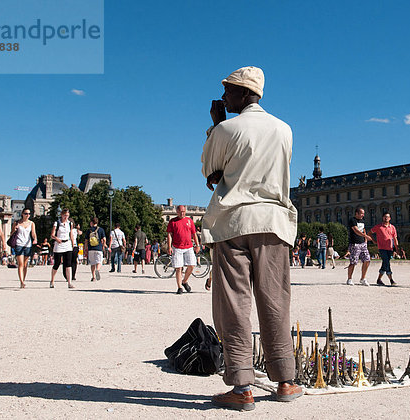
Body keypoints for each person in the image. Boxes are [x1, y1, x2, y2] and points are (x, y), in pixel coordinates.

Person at [201, 66, 302, 410]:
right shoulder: (284, 129)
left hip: (234, 222)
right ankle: (286, 380)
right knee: (275, 300)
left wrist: (216, 125)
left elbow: (208, 167)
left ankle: (242, 385)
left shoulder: (228, 128)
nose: (223, 97)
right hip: (274, 222)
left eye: (228, 91)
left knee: (233, 303)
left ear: (244, 94)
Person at [167, 205, 200, 294]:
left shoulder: (189, 221)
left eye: (184, 211)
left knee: (192, 265)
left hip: (188, 246)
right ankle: (179, 287)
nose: (182, 213)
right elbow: (169, 235)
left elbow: (194, 234)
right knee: (178, 268)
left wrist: (197, 245)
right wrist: (169, 247)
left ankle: (184, 281)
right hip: (177, 247)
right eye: (181, 211)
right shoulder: (172, 222)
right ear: (177, 212)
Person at [11, 208, 37, 288]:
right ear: (22, 214)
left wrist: (35, 239)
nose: (28, 215)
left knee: (25, 264)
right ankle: (21, 281)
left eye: (29, 214)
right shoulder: (16, 222)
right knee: (21, 264)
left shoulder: (31, 223)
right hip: (19, 244)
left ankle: (23, 280)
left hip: (27, 245)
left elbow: (33, 233)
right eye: (26, 213)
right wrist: (15, 229)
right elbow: (11, 233)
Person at [347, 207, 373, 286]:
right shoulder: (352, 220)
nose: (363, 215)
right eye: (361, 213)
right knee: (353, 262)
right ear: (356, 213)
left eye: (363, 213)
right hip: (355, 243)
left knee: (367, 260)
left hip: (362, 244)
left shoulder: (362, 221)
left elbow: (363, 229)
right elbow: (356, 230)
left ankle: (363, 278)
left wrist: (365, 239)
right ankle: (349, 279)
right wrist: (366, 236)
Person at [371, 212, 399, 286]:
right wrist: (374, 241)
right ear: (383, 217)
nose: (386, 218)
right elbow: (370, 232)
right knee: (387, 262)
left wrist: (397, 248)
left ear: (390, 218)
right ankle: (391, 280)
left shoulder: (392, 227)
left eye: (388, 217)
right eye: (385, 216)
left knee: (385, 263)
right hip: (382, 248)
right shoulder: (378, 227)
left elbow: (395, 238)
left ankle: (379, 279)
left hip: (390, 248)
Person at [50, 209, 75, 288]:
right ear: (61, 215)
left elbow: (70, 233)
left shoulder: (69, 223)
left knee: (68, 264)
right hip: (59, 244)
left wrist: (72, 242)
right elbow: (52, 234)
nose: (66, 217)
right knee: (57, 263)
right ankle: (52, 280)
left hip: (67, 244)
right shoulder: (57, 223)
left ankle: (69, 282)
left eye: (67, 216)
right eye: (65, 215)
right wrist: (56, 238)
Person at [84, 216, 106, 281]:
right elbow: (104, 239)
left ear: (91, 222)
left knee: (92, 263)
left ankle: (93, 277)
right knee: (99, 261)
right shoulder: (101, 230)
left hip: (91, 248)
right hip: (98, 248)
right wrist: (104, 245)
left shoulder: (89, 230)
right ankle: (98, 270)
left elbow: (86, 241)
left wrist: (85, 248)